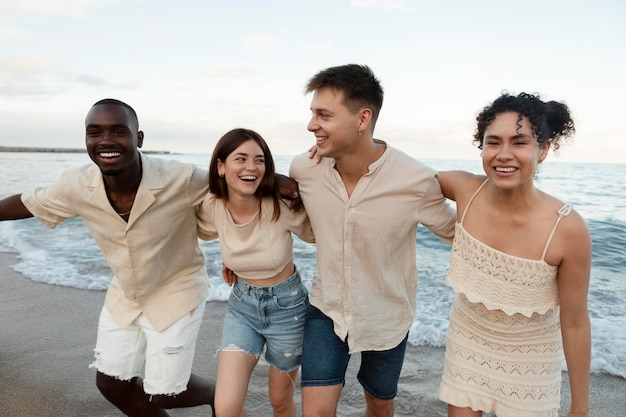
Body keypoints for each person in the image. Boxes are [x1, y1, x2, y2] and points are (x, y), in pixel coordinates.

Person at [0, 98, 217, 416]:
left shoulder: (181, 178)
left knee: (166, 393)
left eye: (118, 131)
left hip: (178, 291)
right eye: (94, 132)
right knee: (112, 384)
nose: (105, 141)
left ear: (138, 138)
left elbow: (235, 183)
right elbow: (28, 202)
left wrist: (275, 182)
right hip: (126, 293)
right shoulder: (77, 185)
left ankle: (221, 395)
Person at [288, 64, 457, 417]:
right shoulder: (304, 169)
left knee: (379, 405)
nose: (311, 125)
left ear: (362, 118)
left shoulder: (416, 180)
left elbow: (458, 235)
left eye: (323, 115)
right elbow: (287, 215)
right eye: (312, 114)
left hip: (388, 316)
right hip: (326, 309)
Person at [437, 92, 591, 417]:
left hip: (532, 362)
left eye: (519, 143)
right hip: (469, 343)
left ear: (544, 149)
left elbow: (575, 322)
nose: (503, 155)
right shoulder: (466, 189)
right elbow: (398, 176)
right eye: (493, 143)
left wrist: (580, 405)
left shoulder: (567, 228)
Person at [196, 128, 315, 417]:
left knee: (281, 402)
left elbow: (316, 234)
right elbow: (201, 230)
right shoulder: (212, 205)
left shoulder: (280, 204)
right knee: (226, 409)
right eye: (241, 159)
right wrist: (233, 261)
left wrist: (305, 189)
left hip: (288, 308)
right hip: (242, 305)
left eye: (259, 160)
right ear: (221, 167)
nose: (251, 167)